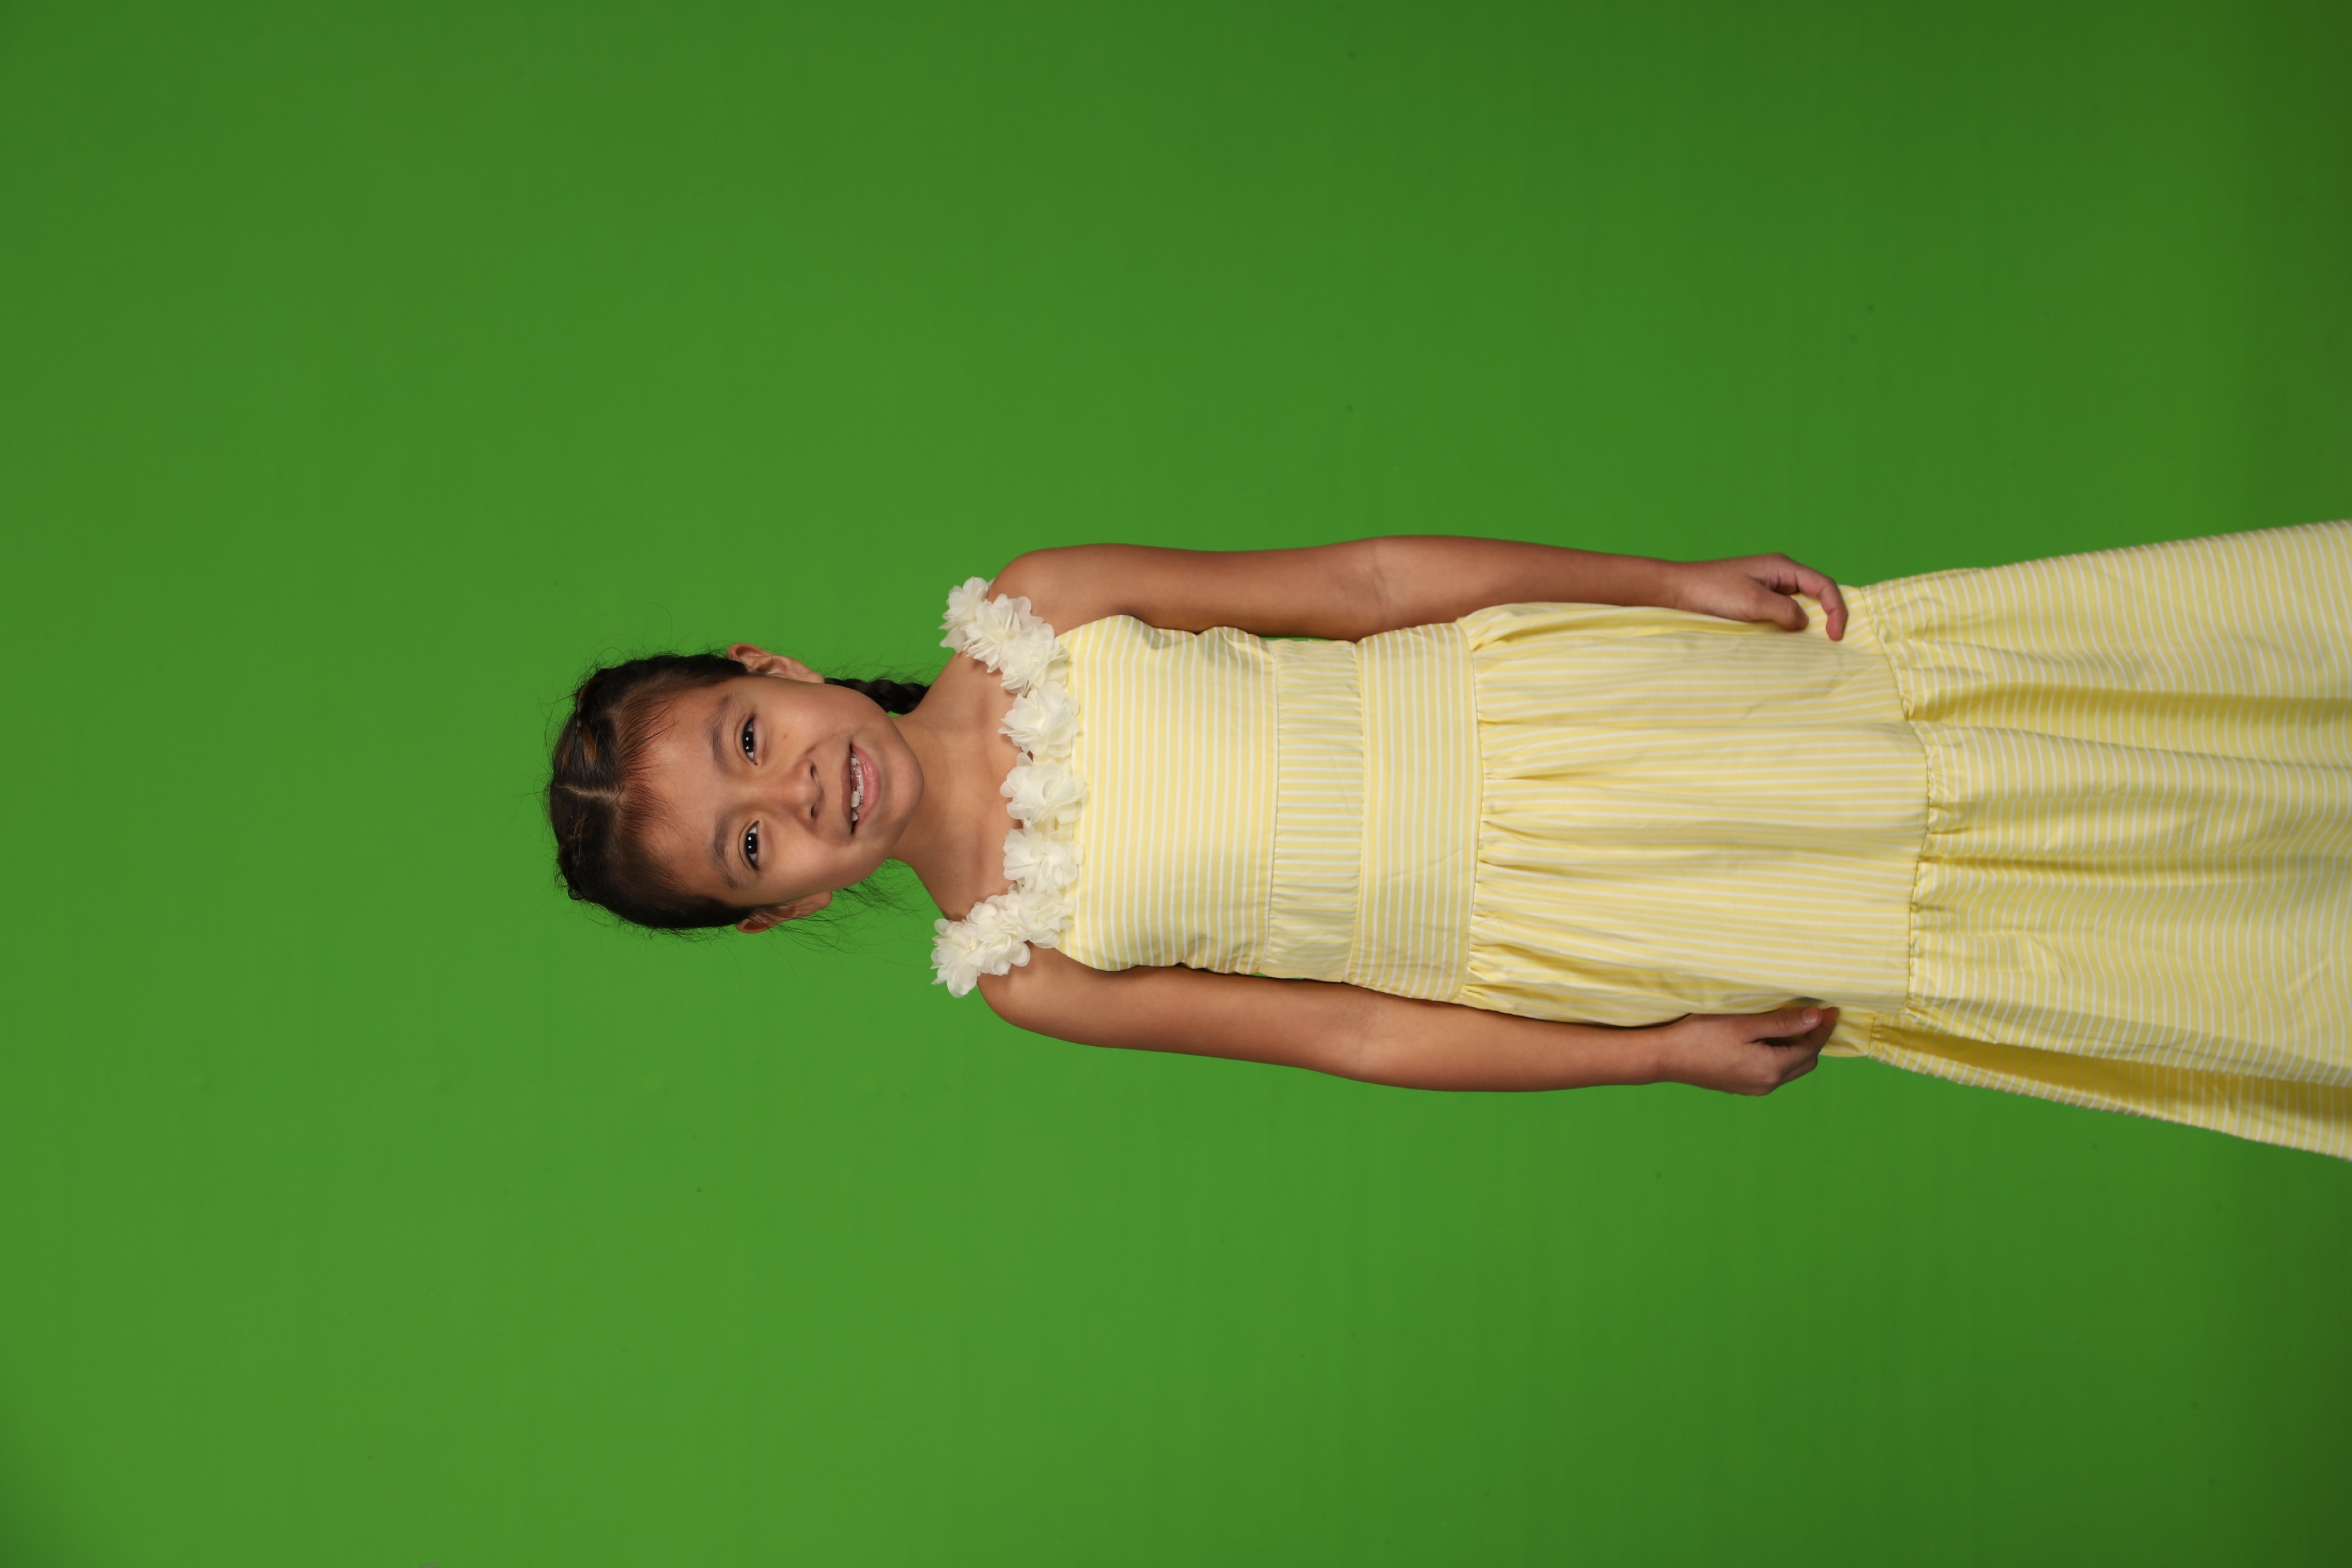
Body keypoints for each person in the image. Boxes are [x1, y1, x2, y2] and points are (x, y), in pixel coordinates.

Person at [547, 524, 2351, 1159]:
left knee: (1996, 758)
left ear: (771, 670)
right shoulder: (1034, 970)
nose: (799, 799)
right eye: (751, 851)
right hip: (1569, 918)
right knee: (1959, 911)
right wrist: (1652, 1053)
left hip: (1573, 716)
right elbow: (1356, 1032)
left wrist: (1661, 585)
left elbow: (1367, 585)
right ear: (774, 913)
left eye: (751, 745)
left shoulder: (1047, 607)